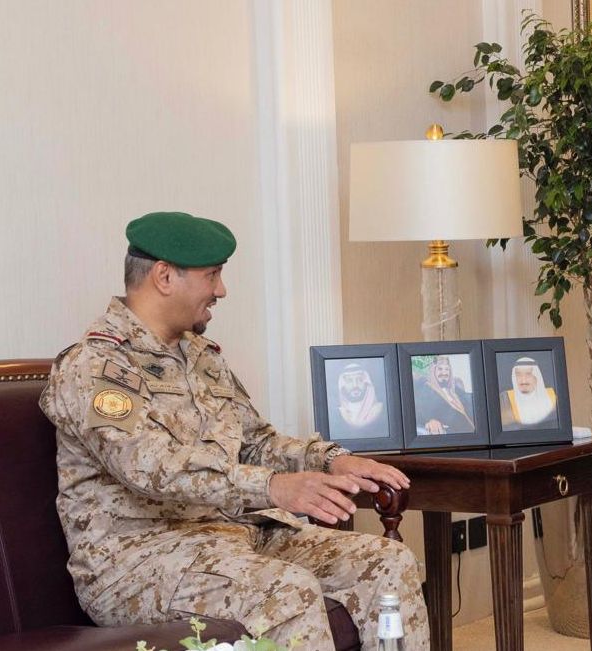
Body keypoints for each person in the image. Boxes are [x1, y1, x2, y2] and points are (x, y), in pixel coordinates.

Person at [39, 211, 430, 650]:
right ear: (164, 277)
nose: (221, 290)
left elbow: (255, 442)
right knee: (286, 591)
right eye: (212, 275)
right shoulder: (97, 365)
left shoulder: (201, 356)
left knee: (388, 562)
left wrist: (331, 460)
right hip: (138, 562)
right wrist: (272, 487)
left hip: (235, 537)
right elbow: (150, 468)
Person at [412, 355, 474, 435]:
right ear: (433, 371)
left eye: (447, 369)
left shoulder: (455, 390)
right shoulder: (426, 389)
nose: (444, 373)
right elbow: (418, 411)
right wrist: (430, 421)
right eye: (440, 369)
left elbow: (468, 400)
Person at [498, 357, 558, 429]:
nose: (523, 380)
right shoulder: (505, 398)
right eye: (518, 374)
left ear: (537, 376)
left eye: (529, 374)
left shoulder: (554, 396)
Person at [335, 361, 384, 430]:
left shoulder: (377, 409)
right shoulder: (341, 412)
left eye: (360, 380)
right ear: (342, 385)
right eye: (349, 381)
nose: (355, 385)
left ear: (367, 383)